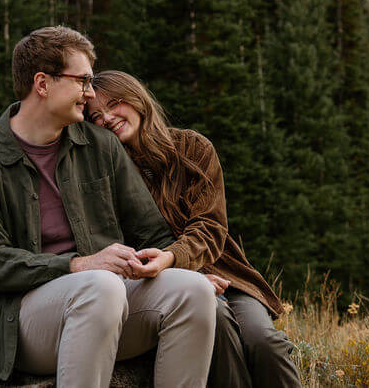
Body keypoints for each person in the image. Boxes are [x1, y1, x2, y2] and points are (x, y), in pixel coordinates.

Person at [0, 27, 217, 387]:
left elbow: (151, 231)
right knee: (100, 286)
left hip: (109, 307)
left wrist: (176, 266)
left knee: (192, 291)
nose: (90, 94)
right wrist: (80, 265)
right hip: (26, 328)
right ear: (43, 84)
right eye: (83, 81)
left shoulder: (101, 146)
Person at [86, 70, 302, 388]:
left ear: (137, 99)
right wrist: (189, 277)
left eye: (115, 103)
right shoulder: (104, 176)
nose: (108, 118)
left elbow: (210, 226)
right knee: (219, 324)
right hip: (162, 285)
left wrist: (176, 258)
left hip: (228, 277)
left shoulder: (192, 149)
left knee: (263, 341)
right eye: (96, 117)